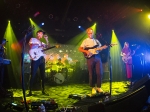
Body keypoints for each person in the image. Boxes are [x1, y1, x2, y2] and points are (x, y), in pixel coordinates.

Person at [78, 27, 107, 94]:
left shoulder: (96, 41)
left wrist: (103, 48)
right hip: (90, 58)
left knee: (99, 73)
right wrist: (86, 51)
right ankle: (93, 87)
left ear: (93, 33)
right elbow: (80, 49)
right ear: (87, 33)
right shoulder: (85, 40)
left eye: (91, 33)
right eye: (89, 33)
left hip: (97, 57)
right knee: (91, 73)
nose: (90, 34)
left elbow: (100, 48)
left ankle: (99, 87)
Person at [28, 30, 50, 96]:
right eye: (41, 33)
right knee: (33, 74)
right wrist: (38, 46)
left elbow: (48, 47)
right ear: (38, 33)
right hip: (35, 58)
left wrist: (47, 40)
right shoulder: (33, 39)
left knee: (43, 75)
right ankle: (30, 91)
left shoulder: (42, 42)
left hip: (41, 59)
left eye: (42, 34)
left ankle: (43, 90)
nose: (42, 34)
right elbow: (31, 45)